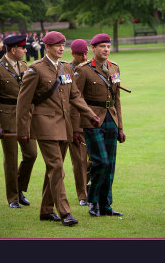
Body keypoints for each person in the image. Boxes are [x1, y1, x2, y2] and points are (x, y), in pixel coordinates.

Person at [16, 31, 100, 226]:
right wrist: (22, 131)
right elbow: (23, 102)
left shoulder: (66, 68)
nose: (62, 48)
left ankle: (46, 210)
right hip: (44, 125)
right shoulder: (35, 69)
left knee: (52, 170)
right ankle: (65, 212)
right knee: (57, 167)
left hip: (64, 126)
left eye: (63, 45)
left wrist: (90, 115)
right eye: (57, 45)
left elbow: (76, 96)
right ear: (47, 47)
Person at [72, 33, 126, 217]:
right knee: (100, 161)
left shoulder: (114, 68)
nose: (106, 50)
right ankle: (93, 201)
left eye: (108, 46)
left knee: (110, 164)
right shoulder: (83, 69)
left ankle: (105, 205)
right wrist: (76, 128)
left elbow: (117, 99)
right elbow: (75, 98)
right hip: (92, 120)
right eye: (102, 46)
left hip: (111, 119)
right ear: (92, 49)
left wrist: (120, 127)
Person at [0, 35, 38, 208]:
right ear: (13, 50)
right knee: (11, 159)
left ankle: (19, 188)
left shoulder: (24, 66)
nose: (25, 50)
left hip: (25, 117)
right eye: (23, 48)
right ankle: (13, 198)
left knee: (31, 154)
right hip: (6, 118)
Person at [68, 39, 91, 206]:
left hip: (93, 120)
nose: (84, 57)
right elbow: (72, 101)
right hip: (75, 122)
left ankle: (87, 185)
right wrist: (75, 128)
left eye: (85, 53)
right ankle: (82, 195)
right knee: (79, 161)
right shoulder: (67, 70)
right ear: (72, 54)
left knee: (94, 159)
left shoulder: (91, 68)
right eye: (80, 54)